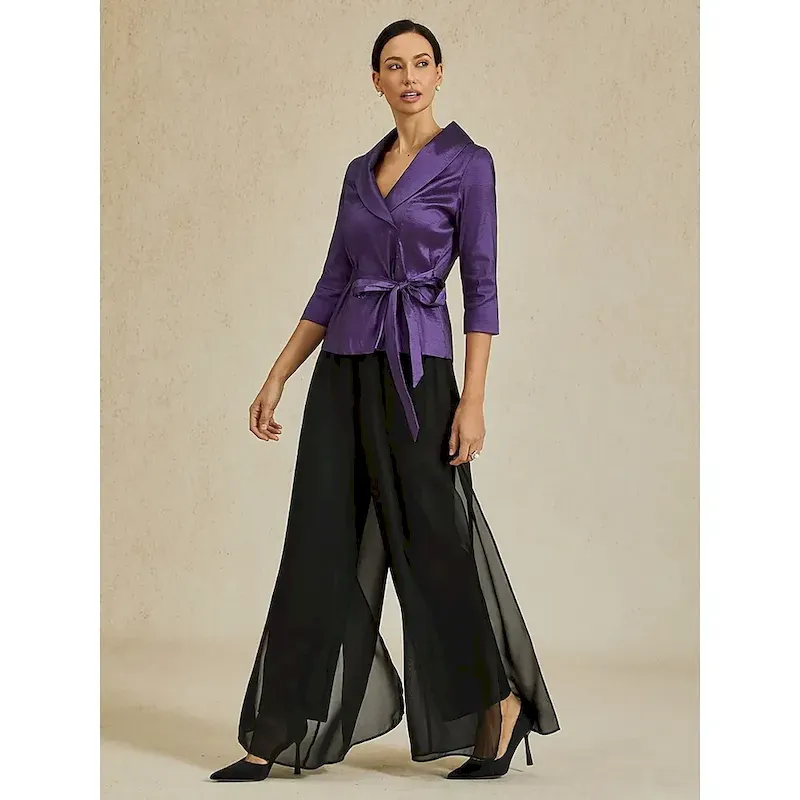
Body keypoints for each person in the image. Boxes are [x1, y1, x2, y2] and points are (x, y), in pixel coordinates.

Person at [209, 18, 560, 783]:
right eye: (394, 66)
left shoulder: (469, 164)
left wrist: (473, 399)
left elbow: (483, 288)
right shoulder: (357, 173)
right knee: (317, 538)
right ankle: (275, 732)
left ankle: (497, 703)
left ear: (439, 74)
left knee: (432, 543)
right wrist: (278, 374)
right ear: (375, 80)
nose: (408, 77)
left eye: (421, 63)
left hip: (419, 372)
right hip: (343, 370)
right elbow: (332, 282)